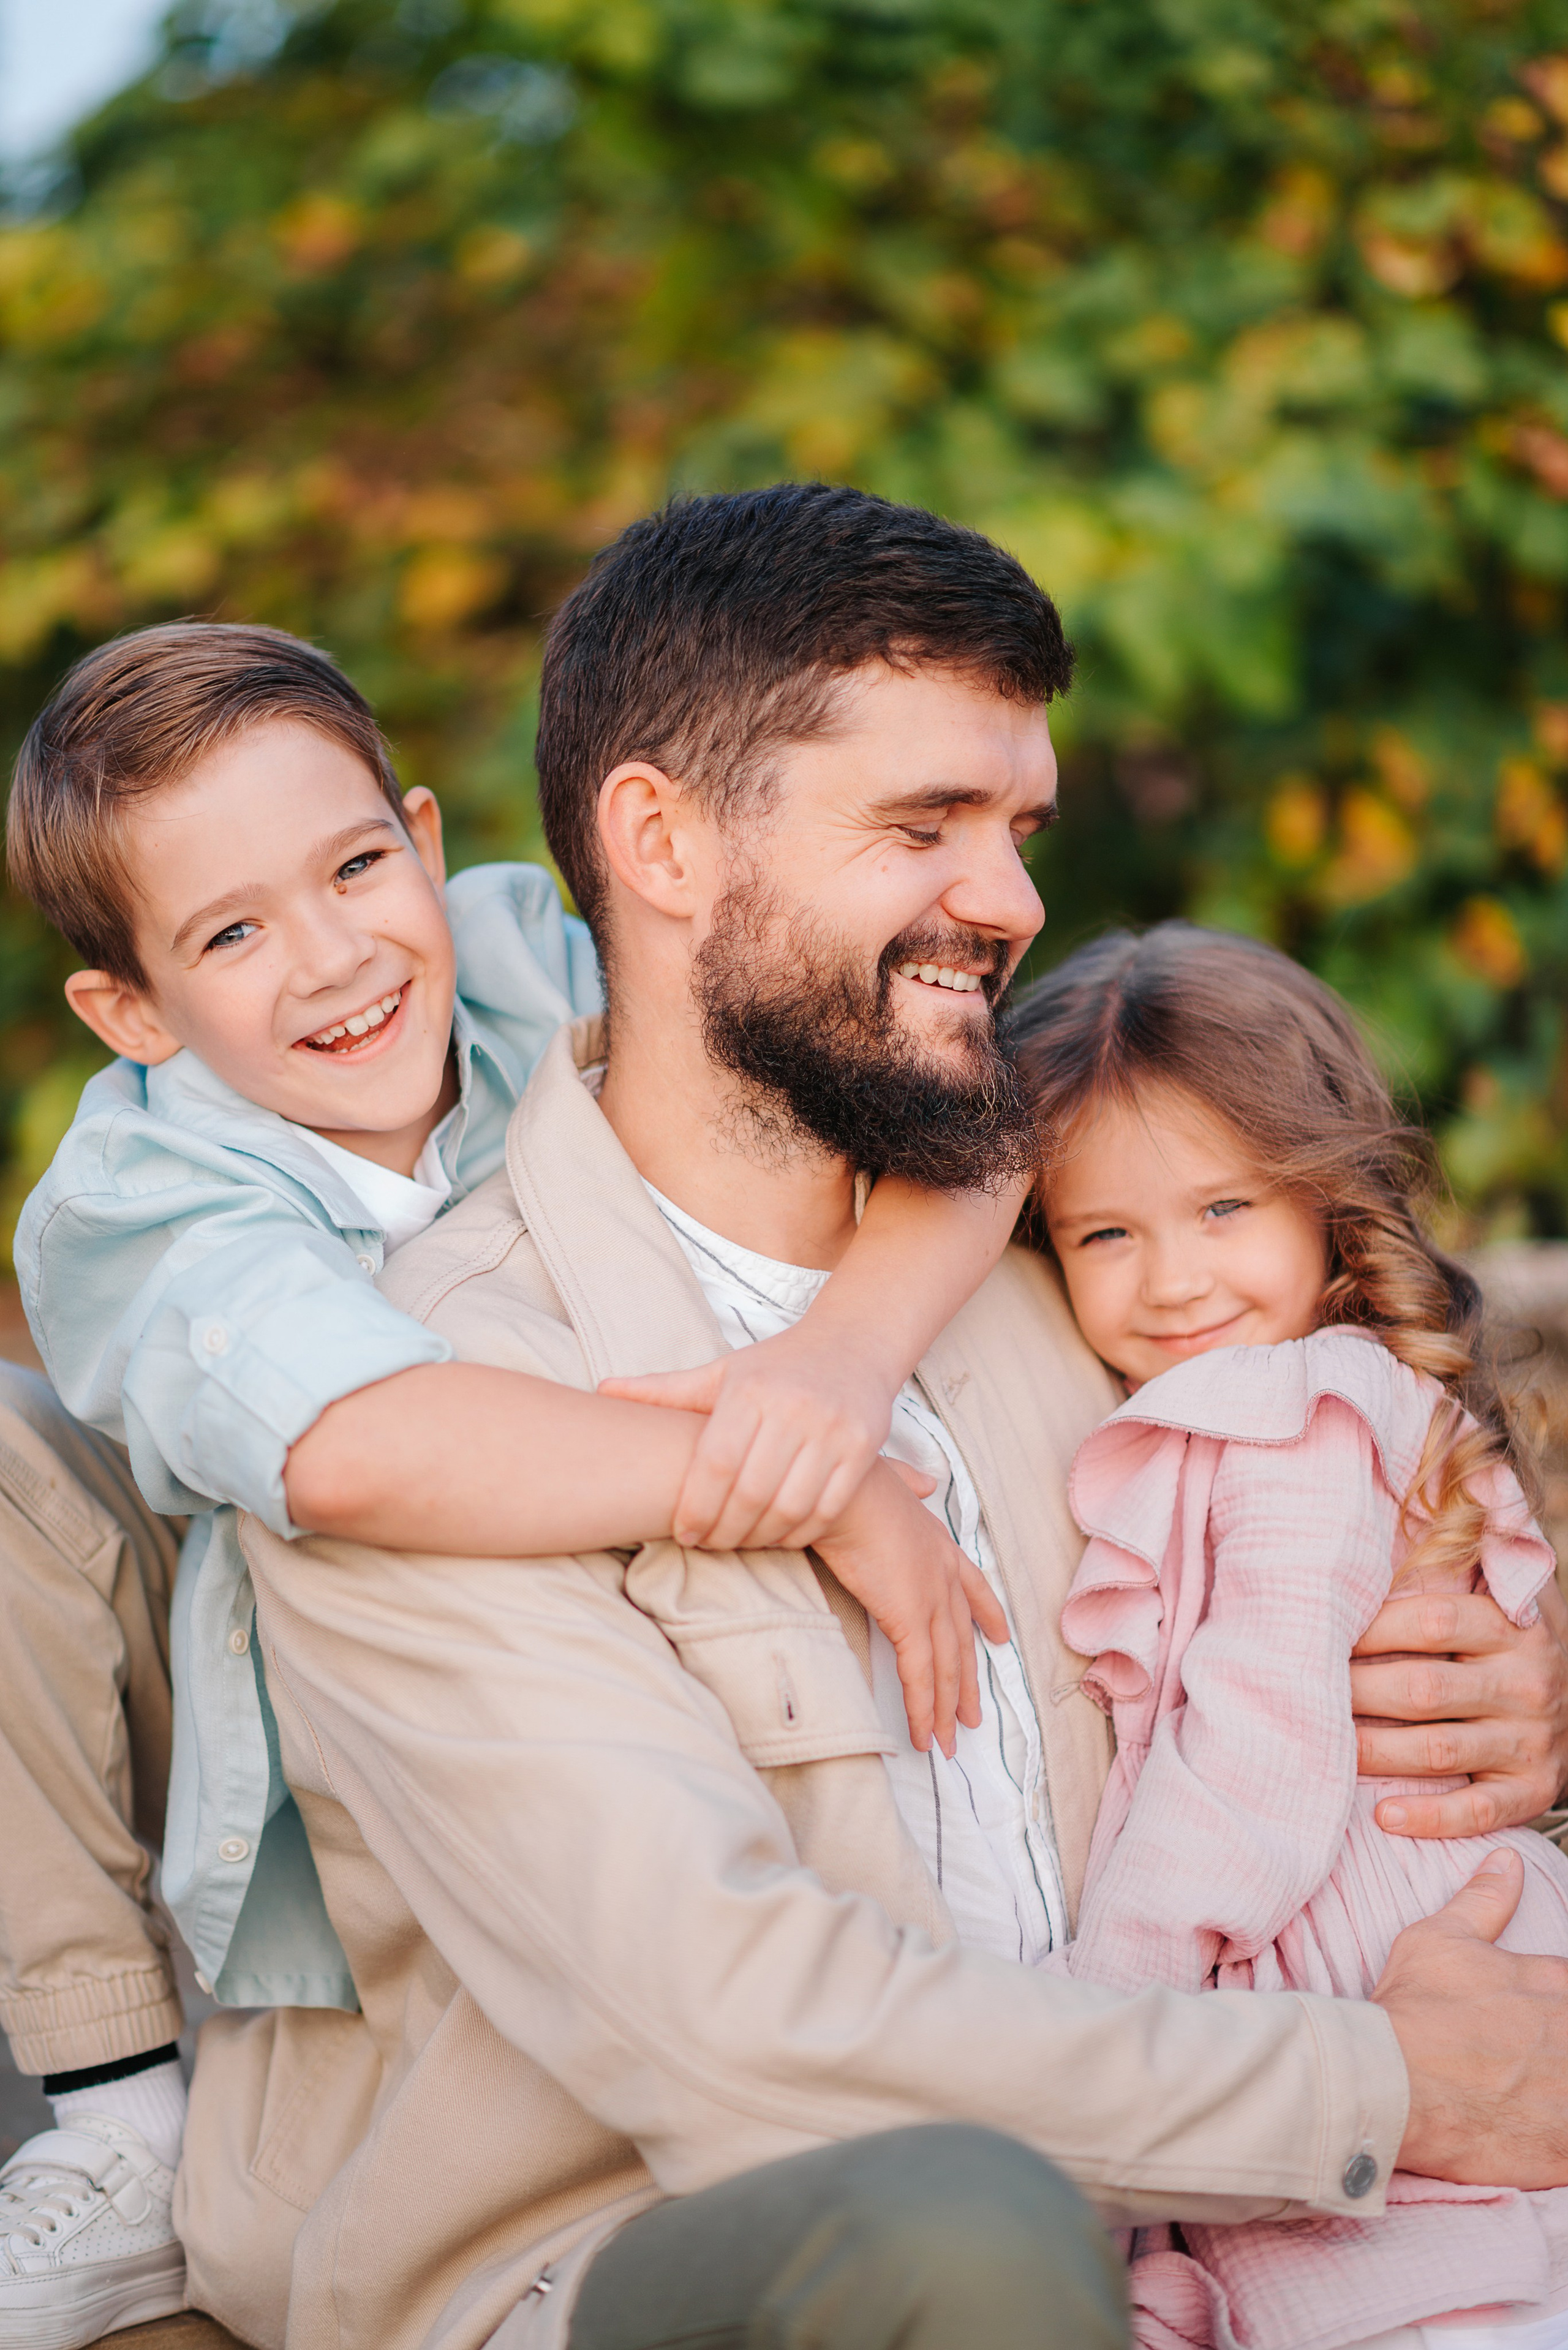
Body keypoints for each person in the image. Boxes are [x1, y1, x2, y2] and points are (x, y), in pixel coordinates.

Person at [174, 484, 1568, 2350]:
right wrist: (1386, 2090)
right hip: (647, 2263)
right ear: (660, 840)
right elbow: (744, 2035)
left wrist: (1513, 1688)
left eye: (1017, 828)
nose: (1010, 904)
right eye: (923, 826)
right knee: (959, 2230)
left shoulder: (1084, 1277)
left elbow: (1371, 1517)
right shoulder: (438, 1395)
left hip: (1199, 2244)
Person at [0, 619, 1023, 2348]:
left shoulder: (526, 956)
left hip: (627, 1640)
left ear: (417, 828)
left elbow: (964, 1102)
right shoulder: (136, 1192)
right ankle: (114, 2111)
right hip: (275, 1689)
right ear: (132, 1010)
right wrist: (807, 1476)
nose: (332, 956)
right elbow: (360, 1446)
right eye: (232, 932)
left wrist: (837, 1369)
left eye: (353, 866)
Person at [1009, 921, 1568, 2350]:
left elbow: (1259, 1748)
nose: (1171, 1280)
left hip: (1395, 2014)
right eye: (1104, 1233)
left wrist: (1101, 2004)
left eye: (1222, 1208)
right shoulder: (1272, 1399)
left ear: (1325, 1199)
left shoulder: (1301, 1414)